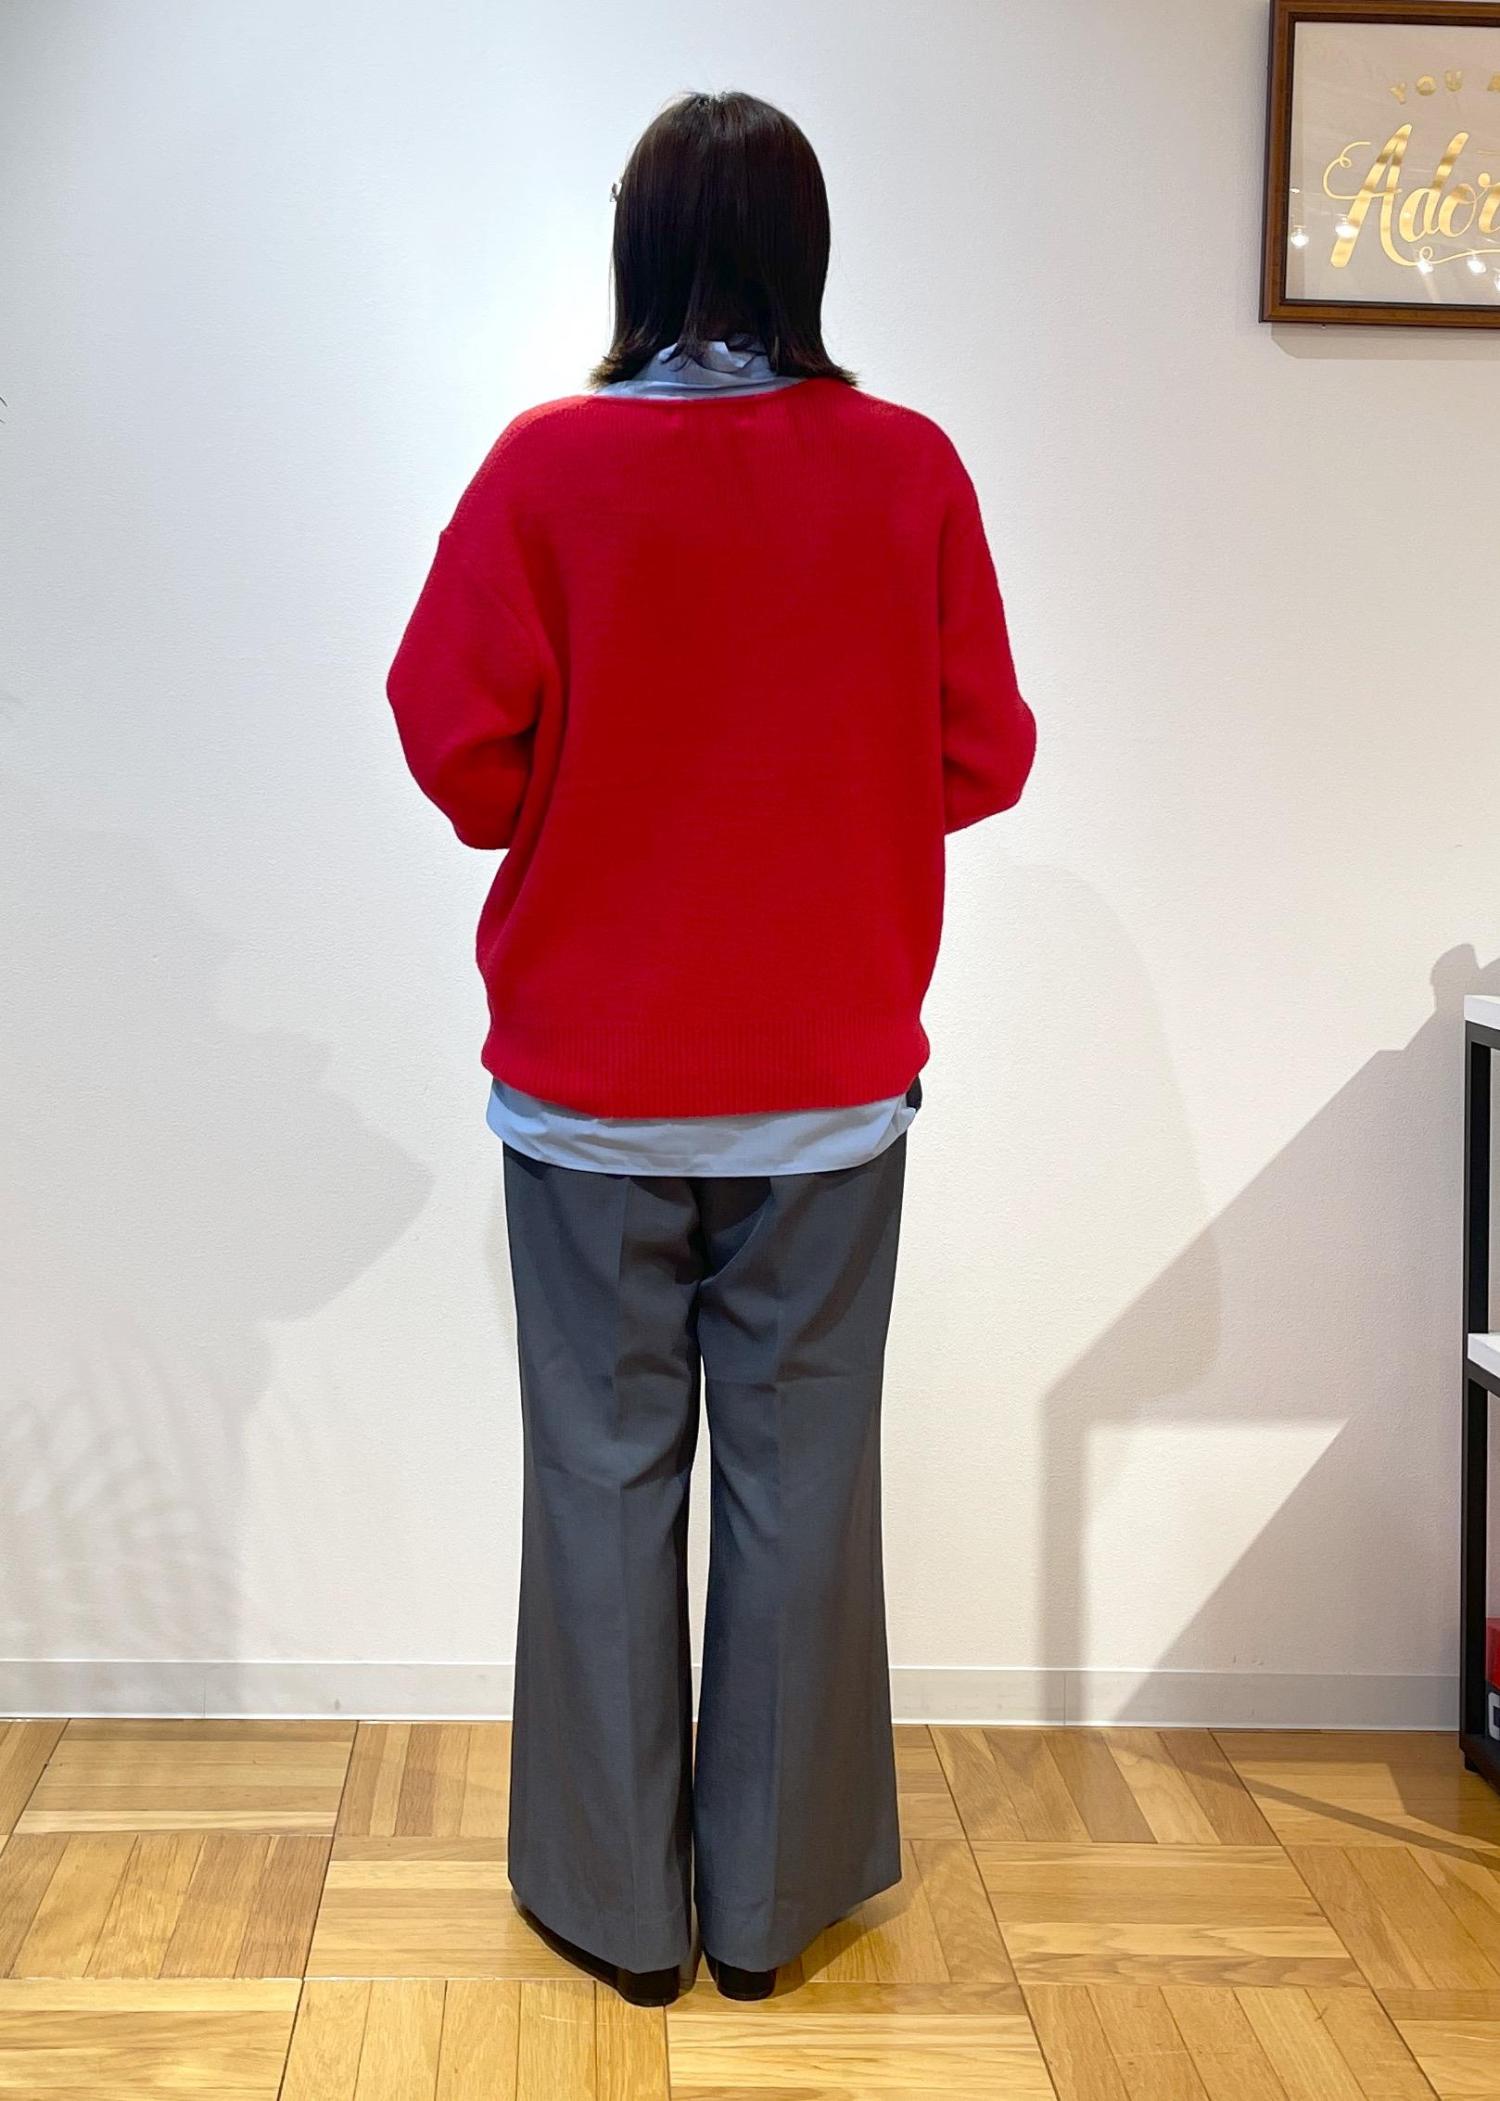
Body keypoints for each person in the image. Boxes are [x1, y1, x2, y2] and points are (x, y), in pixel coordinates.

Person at [385, 87, 1036, 2010]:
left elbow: (454, 748)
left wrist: (602, 789)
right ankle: (767, 1909)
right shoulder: (908, 468)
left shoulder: (545, 468)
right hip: (827, 1088)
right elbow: (984, 751)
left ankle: (616, 1907)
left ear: (637, 244)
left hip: (590, 1086)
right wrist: (827, 797)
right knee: (802, 1483)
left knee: (600, 1482)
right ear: (806, 252)